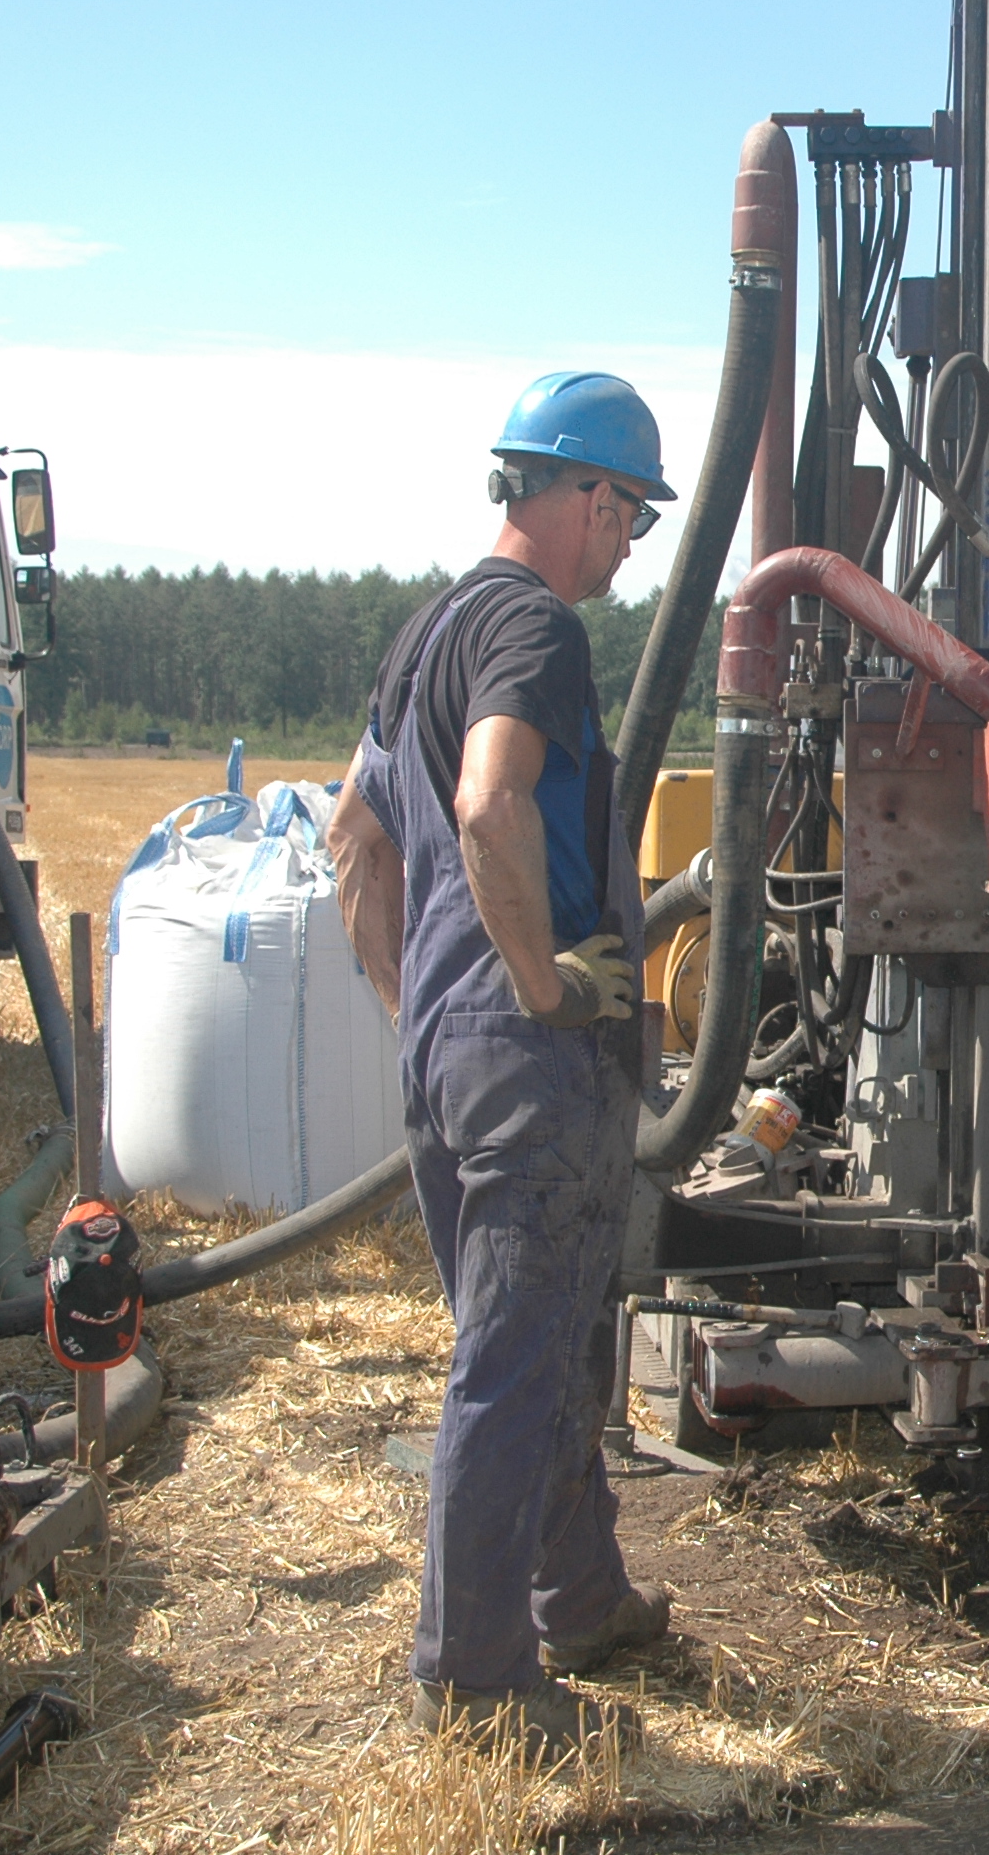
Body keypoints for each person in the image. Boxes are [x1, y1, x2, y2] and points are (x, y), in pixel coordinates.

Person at [329, 371, 680, 1743]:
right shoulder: (535, 629)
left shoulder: (427, 632)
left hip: (447, 1052)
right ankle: (475, 1689)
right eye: (632, 520)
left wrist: (415, 1006)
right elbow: (488, 801)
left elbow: (354, 842)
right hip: (533, 1059)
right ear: (587, 496)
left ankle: (578, 1596)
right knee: (517, 1361)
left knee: (544, 1345)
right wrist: (539, 983)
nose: (631, 548)